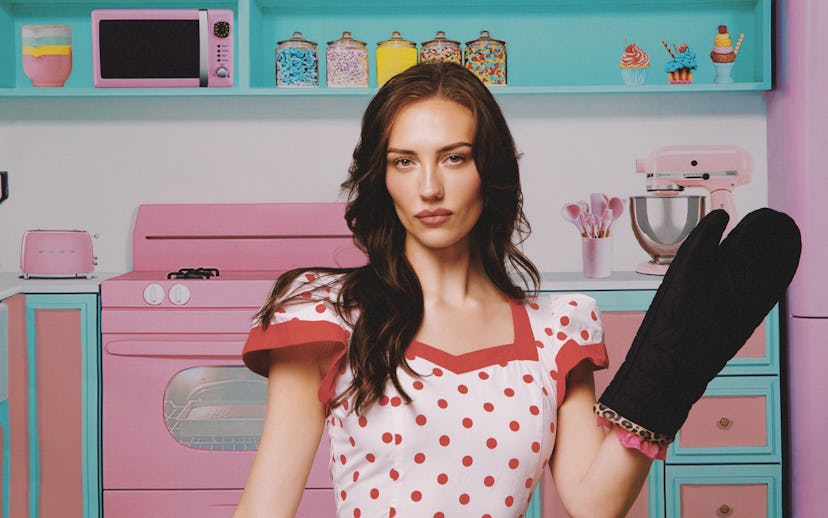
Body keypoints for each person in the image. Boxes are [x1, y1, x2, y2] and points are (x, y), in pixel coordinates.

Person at [234, 62, 800, 518]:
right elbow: (265, 509)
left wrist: (666, 379)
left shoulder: (555, 329)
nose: (429, 187)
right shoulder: (328, 314)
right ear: (382, 178)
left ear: (491, 170)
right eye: (404, 162)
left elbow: (594, 504)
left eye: (454, 158)